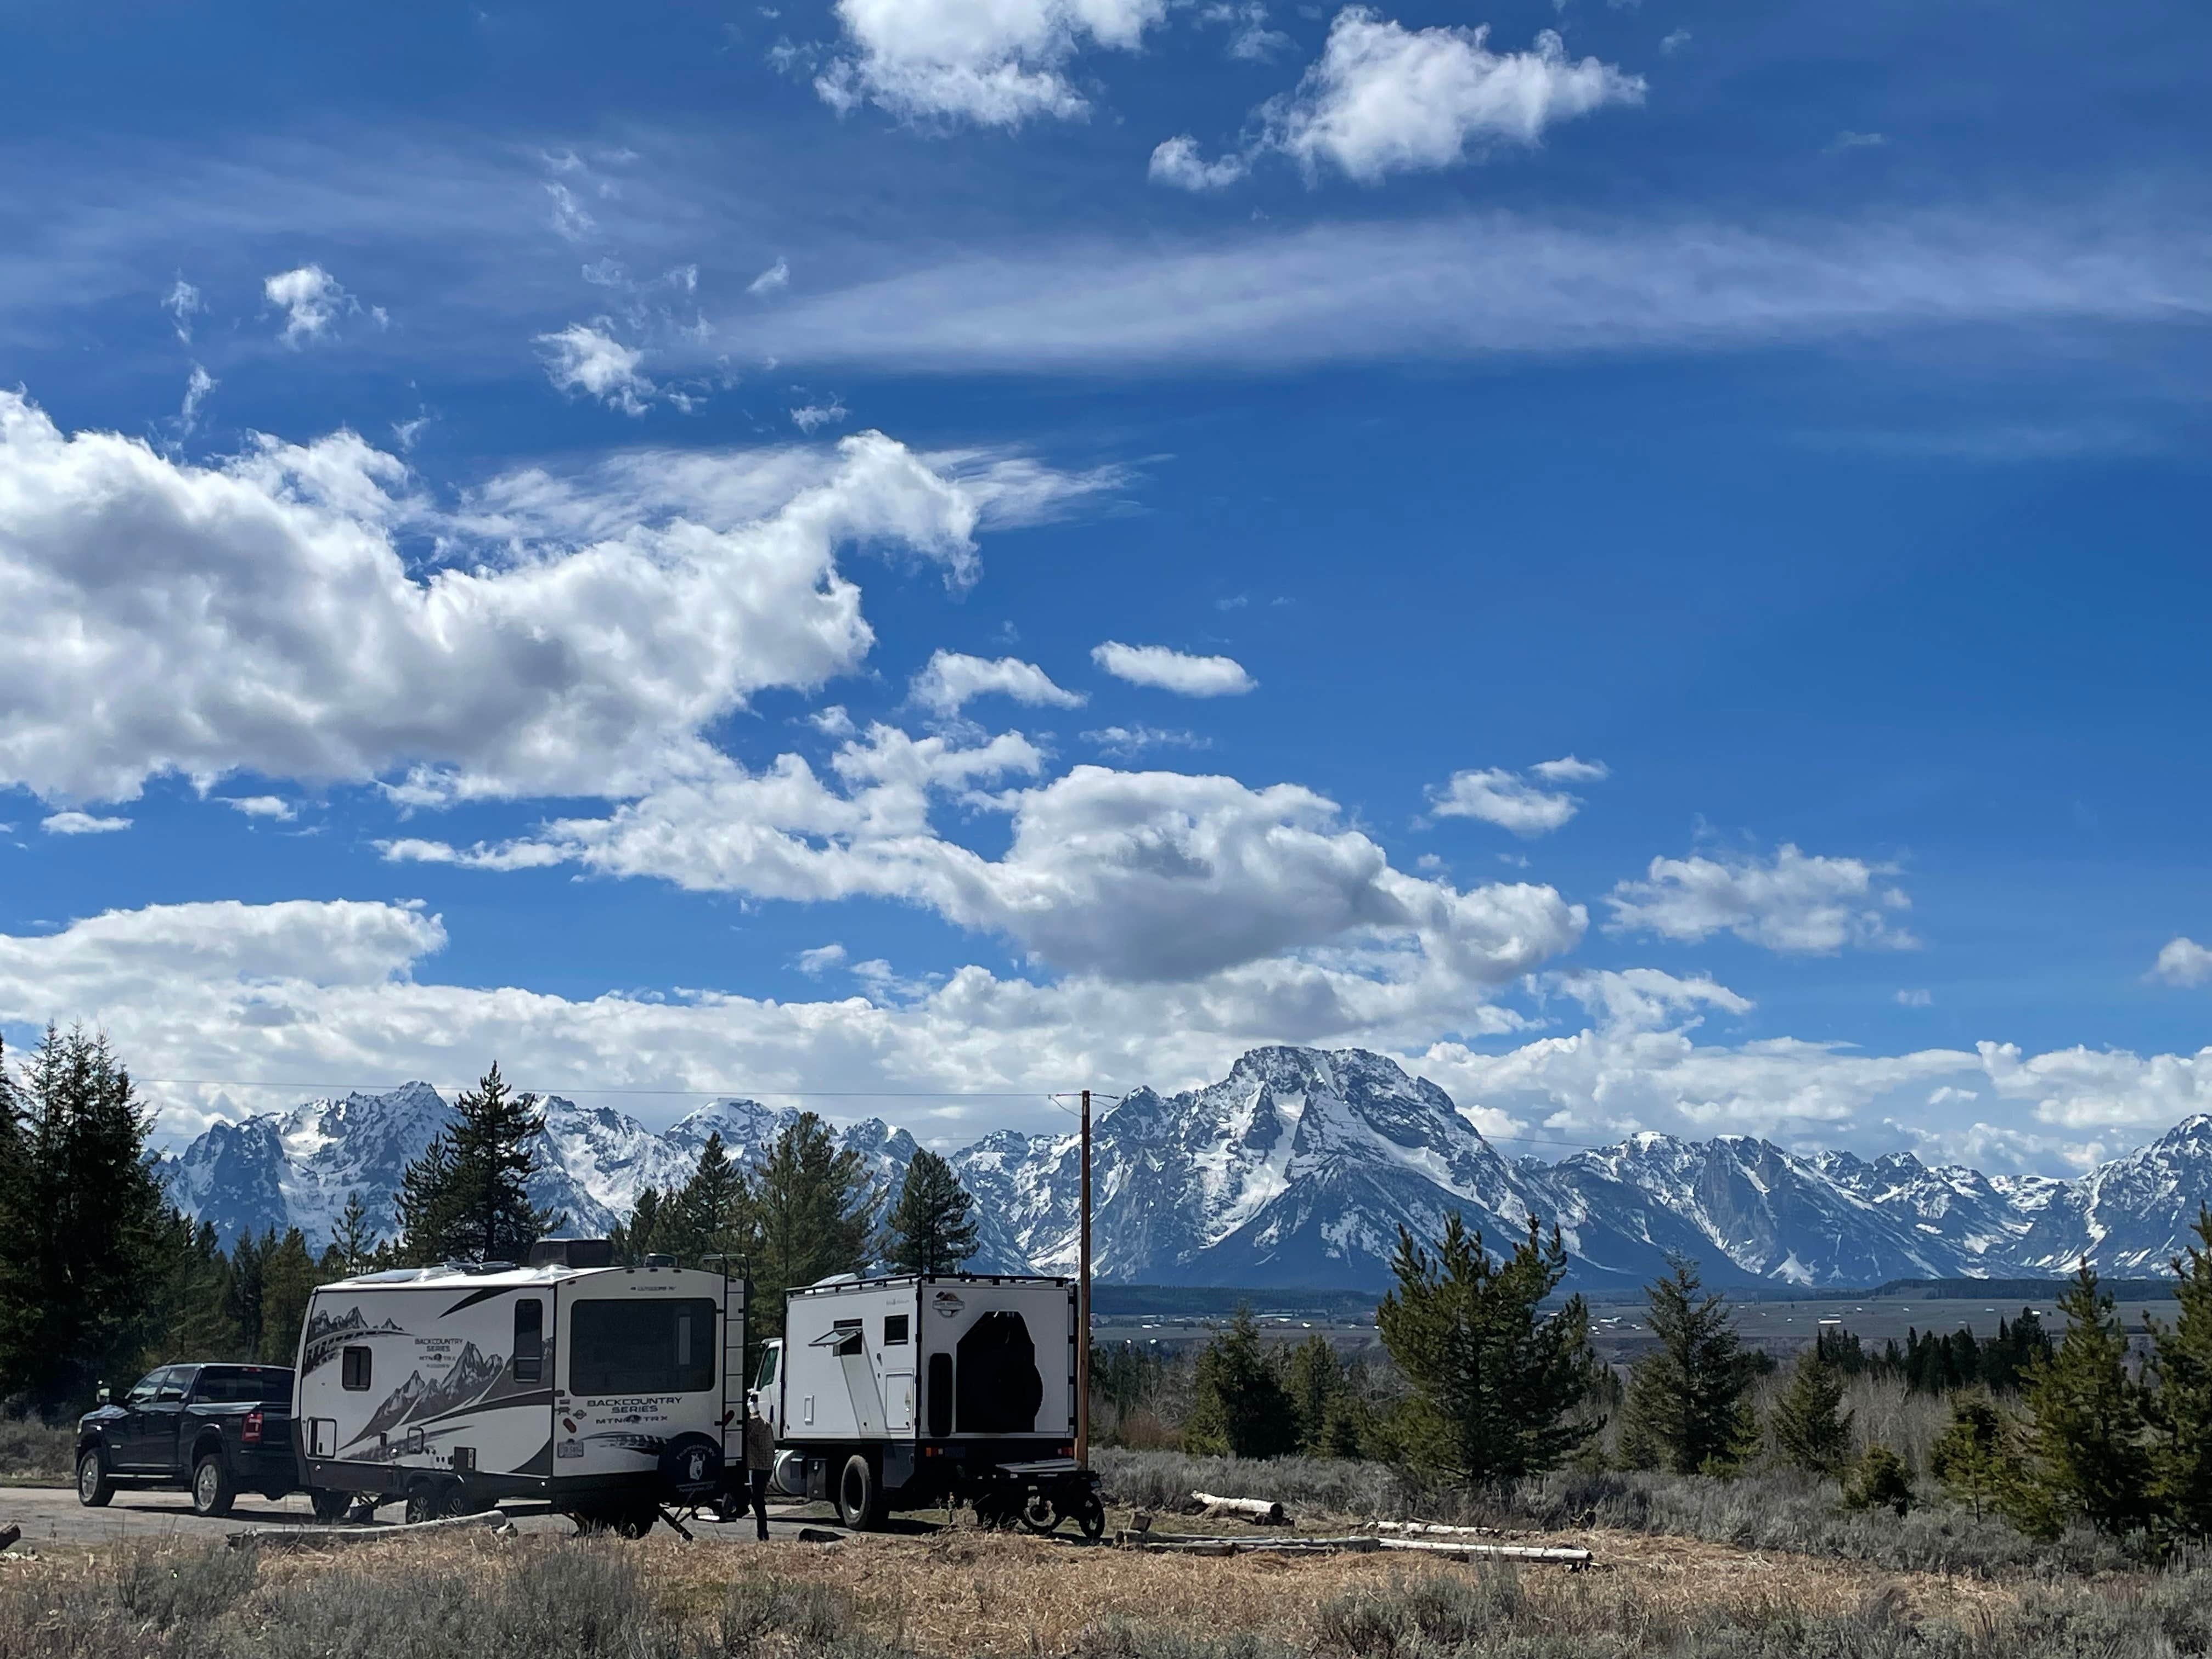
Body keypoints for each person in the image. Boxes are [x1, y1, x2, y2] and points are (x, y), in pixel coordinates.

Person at [743, 1401, 775, 1541]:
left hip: (758, 1467)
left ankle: (762, 1531)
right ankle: (762, 1531)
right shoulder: (764, 1424)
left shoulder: (752, 1424)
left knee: (757, 1500)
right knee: (758, 1499)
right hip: (766, 1466)